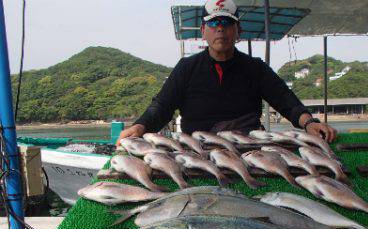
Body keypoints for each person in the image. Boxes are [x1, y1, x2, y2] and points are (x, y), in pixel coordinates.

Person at [116, 0, 337, 145]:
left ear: (238, 30)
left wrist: (309, 123)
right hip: (197, 147)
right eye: (213, 23)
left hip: (248, 146)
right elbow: (161, 107)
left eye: (227, 23)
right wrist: (140, 126)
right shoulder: (186, 68)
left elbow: (286, 100)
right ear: (203, 31)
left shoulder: (255, 67)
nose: (220, 28)